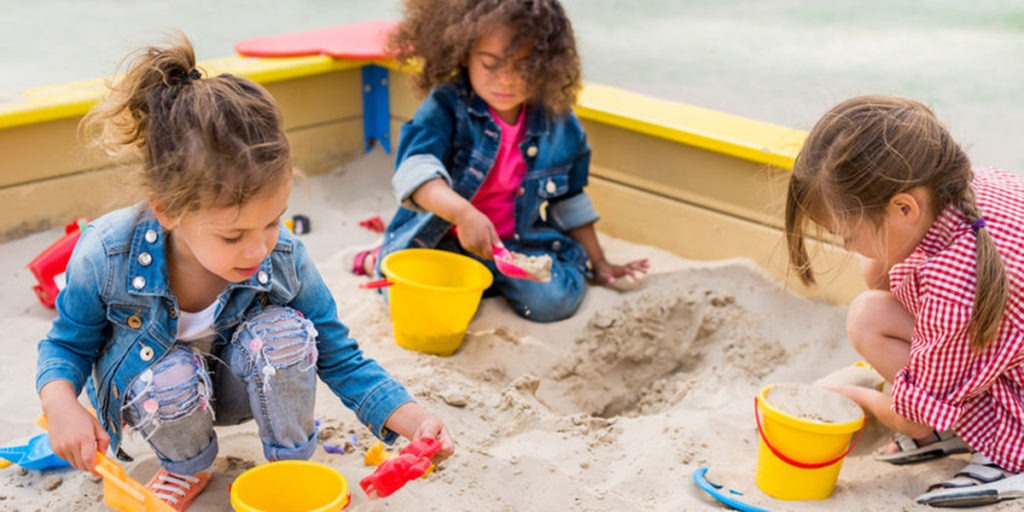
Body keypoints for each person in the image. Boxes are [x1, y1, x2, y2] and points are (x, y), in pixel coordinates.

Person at [36, 35, 453, 511]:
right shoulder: (107, 254)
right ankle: (185, 466)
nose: (259, 248)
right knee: (169, 376)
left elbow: (338, 353)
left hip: (243, 387)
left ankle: (291, 461)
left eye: (274, 221)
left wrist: (412, 418)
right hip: (159, 396)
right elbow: (66, 344)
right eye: (232, 236)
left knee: (285, 334)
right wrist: (61, 404)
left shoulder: (282, 255)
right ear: (168, 211)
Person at [785, 95, 1024, 506]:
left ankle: (1009, 456)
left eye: (846, 234)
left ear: (904, 206)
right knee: (874, 275)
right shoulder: (979, 185)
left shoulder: (954, 283)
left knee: (867, 317)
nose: (846, 245)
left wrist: (850, 396)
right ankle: (955, 419)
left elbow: (910, 421)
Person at [353, 0, 649, 322]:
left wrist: (599, 261)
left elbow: (570, 199)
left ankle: (489, 280)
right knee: (405, 296)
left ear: (546, 63)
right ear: (464, 53)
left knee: (554, 302)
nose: (506, 80)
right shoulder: (447, 107)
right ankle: (376, 257)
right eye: (491, 64)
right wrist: (463, 214)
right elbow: (416, 172)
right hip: (443, 241)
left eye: (522, 66)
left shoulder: (560, 123)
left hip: (515, 246)